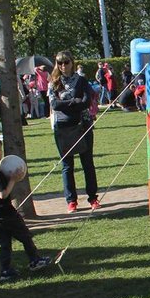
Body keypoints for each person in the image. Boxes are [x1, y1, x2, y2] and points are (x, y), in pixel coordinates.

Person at [0, 134, 51, 282]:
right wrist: (13, 179)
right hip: (5, 214)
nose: (1, 152)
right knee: (25, 235)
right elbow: (2, 194)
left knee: (4, 243)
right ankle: (34, 260)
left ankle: (6, 271)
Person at [49, 50, 99, 213]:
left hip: (83, 125)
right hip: (62, 127)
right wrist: (74, 101)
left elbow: (86, 102)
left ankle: (93, 197)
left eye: (66, 62)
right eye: (60, 62)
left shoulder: (81, 80)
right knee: (67, 166)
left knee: (87, 163)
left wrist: (67, 102)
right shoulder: (53, 82)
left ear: (72, 62)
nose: (63, 66)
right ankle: (71, 201)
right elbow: (54, 105)